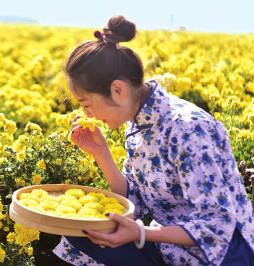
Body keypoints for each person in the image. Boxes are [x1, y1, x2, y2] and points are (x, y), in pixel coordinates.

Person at [52, 15, 254, 266]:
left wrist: (141, 234)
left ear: (118, 90)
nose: (87, 115)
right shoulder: (137, 123)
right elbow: (135, 202)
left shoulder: (188, 129)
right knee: (81, 237)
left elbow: (216, 225)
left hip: (221, 255)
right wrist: (101, 153)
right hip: (169, 247)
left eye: (87, 104)